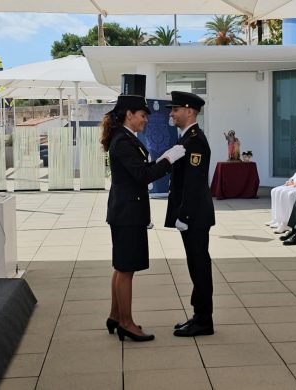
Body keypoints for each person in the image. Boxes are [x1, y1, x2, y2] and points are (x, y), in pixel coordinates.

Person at [101, 95, 186, 342]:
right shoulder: (123, 141)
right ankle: (126, 323)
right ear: (129, 114)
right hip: (127, 213)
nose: (146, 120)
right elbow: (142, 175)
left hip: (125, 211)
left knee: (121, 266)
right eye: (142, 115)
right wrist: (168, 160)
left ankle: (116, 315)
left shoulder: (124, 138)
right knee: (126, 269)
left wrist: (161, 160)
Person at [164, 91, 215, 337]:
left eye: (175, 109)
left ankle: (204, 320)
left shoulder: (194, 140)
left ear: (190, 111)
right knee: (195, 265)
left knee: (199, 266)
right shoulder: (187, 138)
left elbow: (194, 184)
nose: (172, 114)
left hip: (194, 216)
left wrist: (184, 215)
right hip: (192, 215)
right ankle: (199, 316)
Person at [266, 135, 296, 228]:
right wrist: (291, 180)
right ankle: (277, 219)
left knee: (289, 194)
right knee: (275, 190)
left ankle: (289, 223)